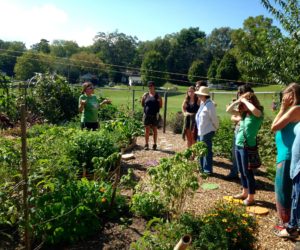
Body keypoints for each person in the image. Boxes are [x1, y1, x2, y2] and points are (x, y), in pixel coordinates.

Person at [270, 83, 300, 238]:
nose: (283, 97)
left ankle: (287, 226)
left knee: (283, 191)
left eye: (286, 94)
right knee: (285, 191)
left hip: (287, 157)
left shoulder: (295, 109)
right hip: (284, 155)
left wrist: (282, 108)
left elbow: (274, 126)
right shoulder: (293, 110)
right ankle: (287, 223)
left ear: (292, 95)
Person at [226, 92, 264, 206]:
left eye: (245, 102)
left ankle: (251, 198)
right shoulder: (244, 114)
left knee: (248, 172)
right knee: (242, 171)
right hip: (239, 145)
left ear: (251, 101)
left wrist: (245, 100)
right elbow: (228, 110)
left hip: (247, 146)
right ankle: (244, 192)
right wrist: (238, 101)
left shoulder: (257, 114)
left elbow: (255, 110)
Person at [225, 84, 254, 180]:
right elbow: (230, 113)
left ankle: (246, 179)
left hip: (245, 133)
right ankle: (236, 174)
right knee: (235, 153)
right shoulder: (241, 105)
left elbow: (241, 117)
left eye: (240, 92)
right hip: (237, 130)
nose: (238, 94)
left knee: (244, 156)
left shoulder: (251, 106)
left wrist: (238, 118)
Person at [195, 86, 219, 174]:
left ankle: (207, 170)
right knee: (201, 151)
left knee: (207, 151)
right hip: (201, 131)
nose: (199, 96)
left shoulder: (209, 105)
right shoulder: (203, 103)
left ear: (205, 96)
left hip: (207, 132)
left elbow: (214, 119)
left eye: (200, 95)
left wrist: (216, 127)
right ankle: (201, 168)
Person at [141, 81, 163, 150]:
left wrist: (159, 101)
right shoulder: (146, 95)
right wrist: (143, 98)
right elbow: (142, 104)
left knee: (154, 130)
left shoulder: (158, 96)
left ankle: (154, 144)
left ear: (154, 87)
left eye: (151, 86)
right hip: (147, 115)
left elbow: (161, 106)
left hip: (154, 115)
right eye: (149, 86)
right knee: (147, 130)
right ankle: (146, 144)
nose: (150, 87)